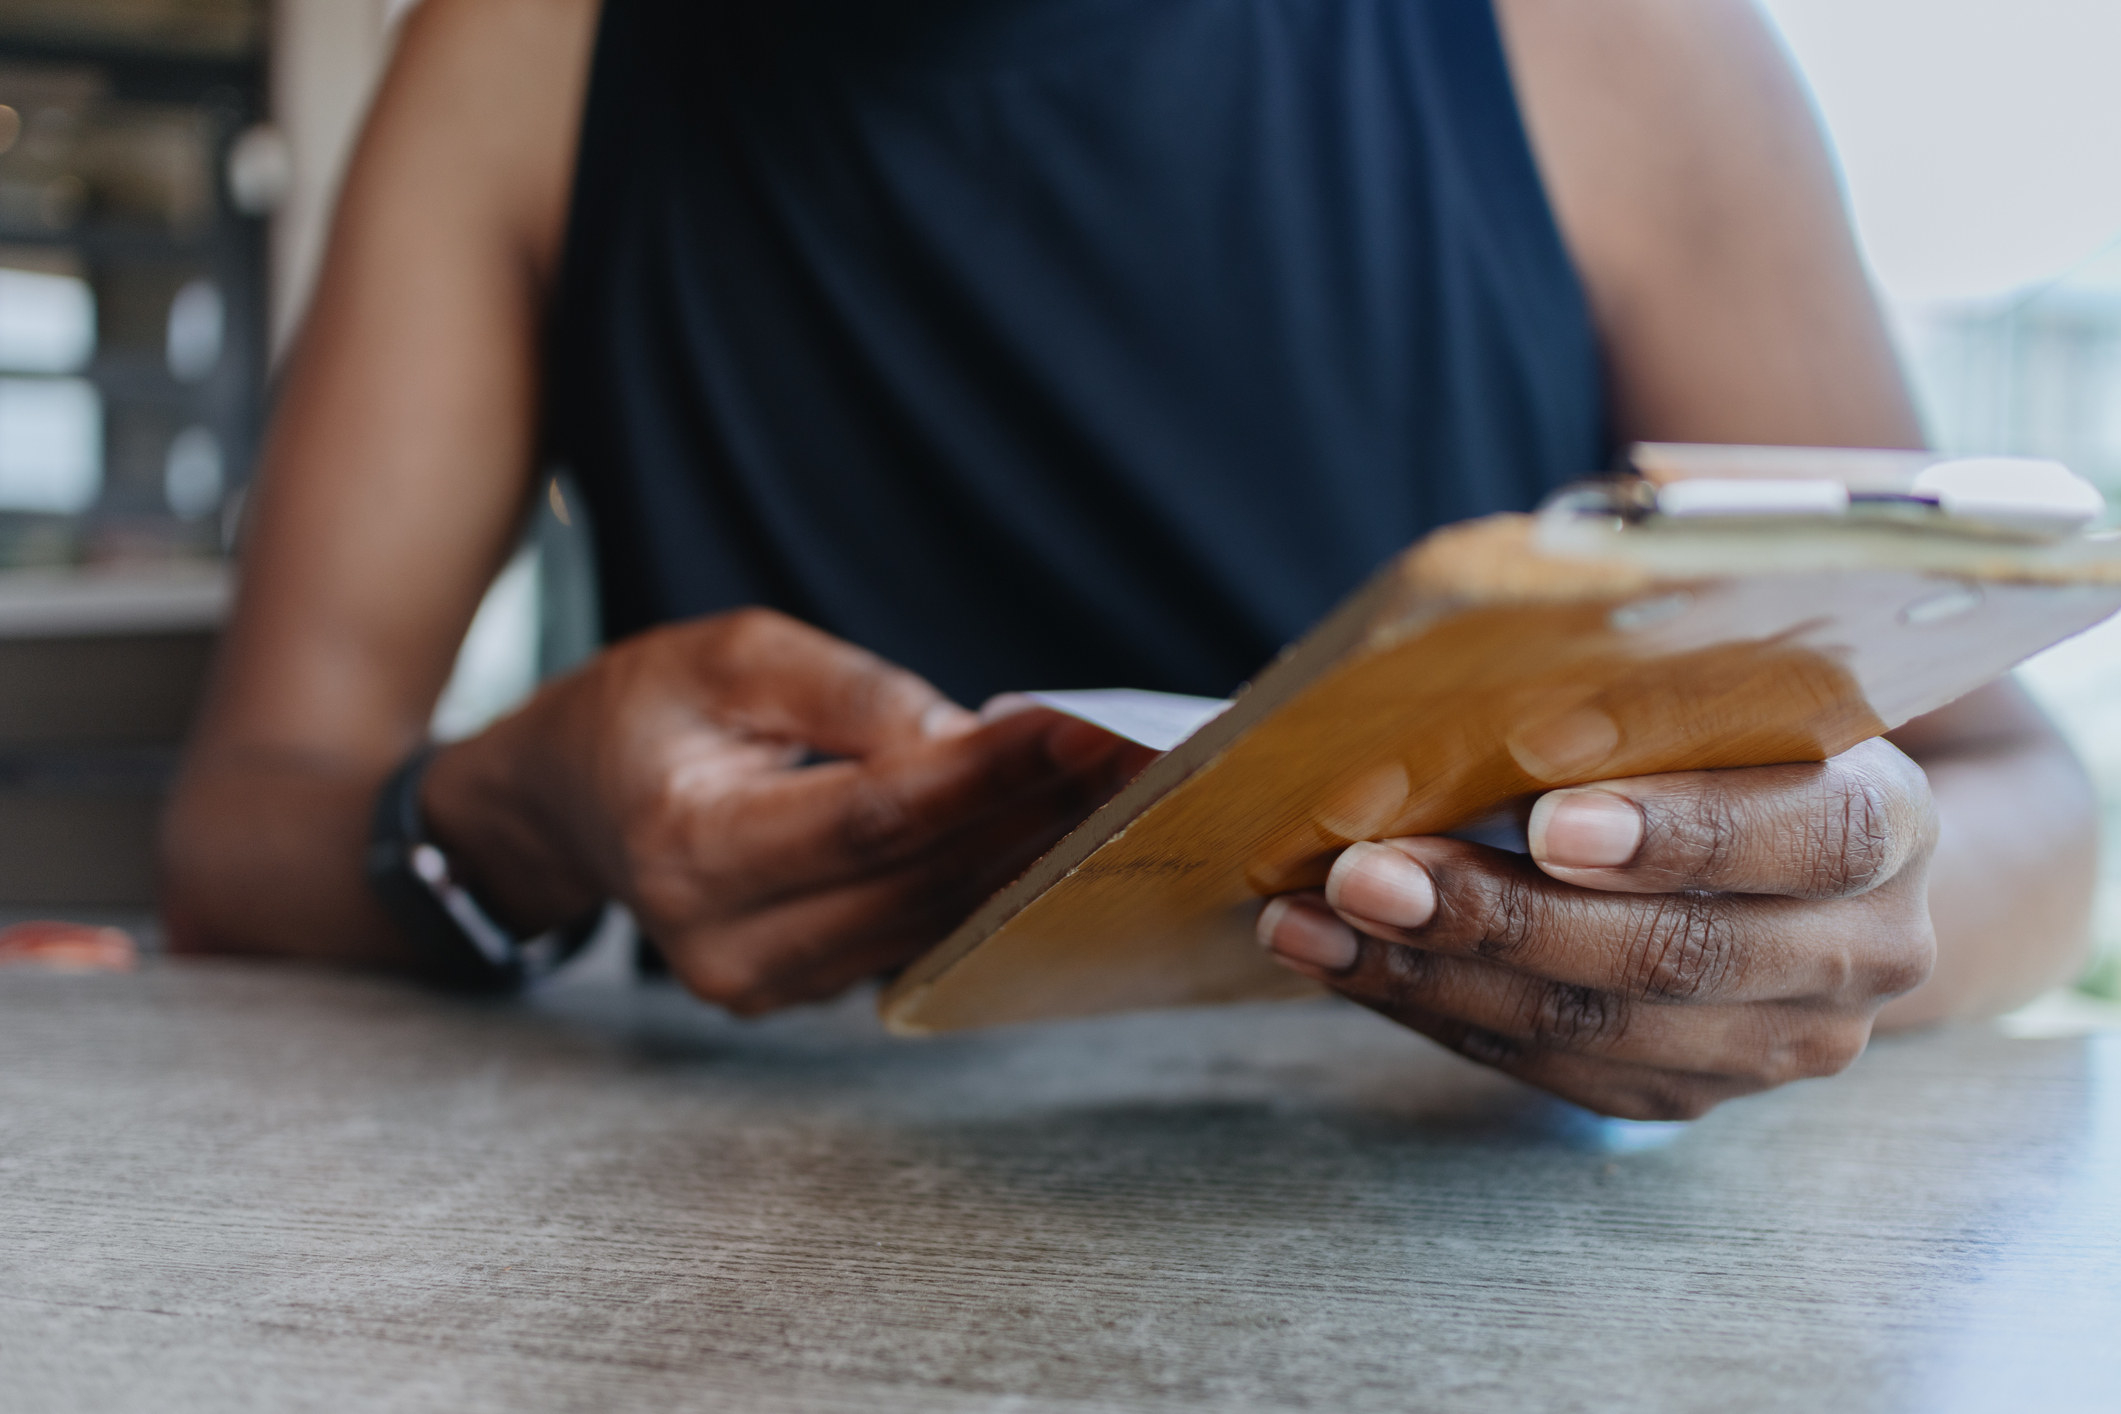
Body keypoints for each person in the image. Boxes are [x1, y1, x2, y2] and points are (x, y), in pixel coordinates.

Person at [162, 0, 2099, 1120]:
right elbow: (247, 814)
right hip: (777, 1220)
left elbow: (2013, 792)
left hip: (1463, 1225)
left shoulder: (1593, 39)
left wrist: (1779, 935)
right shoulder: (531, 49)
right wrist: (516, 813)